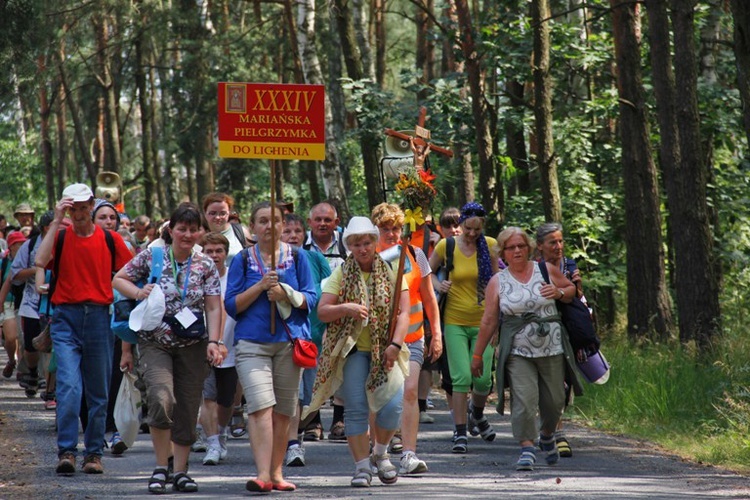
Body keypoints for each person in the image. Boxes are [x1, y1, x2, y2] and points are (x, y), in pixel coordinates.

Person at [113, 202, 224, 493]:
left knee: (188, 407)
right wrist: (139, 292)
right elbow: (119, 279)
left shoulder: (206, 265)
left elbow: (213, 307)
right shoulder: (153, 255)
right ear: (171, 230)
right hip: (155, 342)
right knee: (161, 399)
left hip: (194, 344)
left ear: (201, 232)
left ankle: (181, 471)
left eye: (193, 229)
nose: (187, 234)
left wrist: (215, 341)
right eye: (181, 228)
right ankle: (161, 467)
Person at [34, 183, 132, 476]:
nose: (78, 213)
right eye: (72, 208)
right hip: (66, 318)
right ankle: (66, 451)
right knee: (69, 387)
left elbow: (130, 270)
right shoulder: (61, 237)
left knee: (98, 390)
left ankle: (93, 453)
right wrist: (56, 219)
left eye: (83, 207)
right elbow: (40, 260)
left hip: (100, 317)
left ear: (92, 205)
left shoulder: (109, 238)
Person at [305, 216, 410, 488]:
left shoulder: (391, 270)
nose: (362, 248)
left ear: (374, 243)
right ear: (349, 246)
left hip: (386, 350)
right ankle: (362, 467)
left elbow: (403, 314)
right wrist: (347, 308)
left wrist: (394, 345)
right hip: (353, 351)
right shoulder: (341, 273)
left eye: (366, 243)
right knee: (356, 410)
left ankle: (381, 453)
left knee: (392, 408)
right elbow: (323, 311)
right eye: (356, 244)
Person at [470, 226, 582, 471]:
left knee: (554, 401)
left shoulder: (545, 269)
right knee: (524, 399)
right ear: (503, 253)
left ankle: (548, 434)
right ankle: (527, 448)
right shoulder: (497, 281)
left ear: (529, 248)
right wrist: (477, 355)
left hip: (551, 347)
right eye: (511, 247)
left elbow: (571, 291)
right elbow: (489, 320)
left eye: (521, 246)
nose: (517, 250)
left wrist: (559, 291)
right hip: (517, 351)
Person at [224, 202, 317, 493]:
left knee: (284, 411)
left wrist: (286, 293)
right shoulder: (242, 259)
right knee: (260, 406)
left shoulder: (298, 257)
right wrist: (261, 287)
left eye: (274, 220)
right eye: (262, 221)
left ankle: (277, 473)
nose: (269, 226)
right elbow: (231, 305)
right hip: (252, 344)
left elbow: (312, 299)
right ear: (253, 227)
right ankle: (262, 473)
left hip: (289, 344)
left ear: (282, 224)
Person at [372, 203, 442, 475]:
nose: (391, 234)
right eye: (385, 229)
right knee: (378, 397)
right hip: (379, 340)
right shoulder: (370, 256)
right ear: (376, 229)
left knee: (409, 392)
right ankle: (378, 449)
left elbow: (428, 298)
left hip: (413, 336)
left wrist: (436, 334)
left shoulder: (415, 254)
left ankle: (409, 454)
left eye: (396, 228)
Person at [428, 202, 498, 454]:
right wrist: (438, 285)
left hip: (485, 323)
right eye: (468, 228)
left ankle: (476, 415)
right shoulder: (446, 246)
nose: (471, 234)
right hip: (455, 321)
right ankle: (459, 431)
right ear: (461, 224)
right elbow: (426, 272)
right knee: (461, 378)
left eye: (477, 230)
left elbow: (500, 279)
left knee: (482, 381)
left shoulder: (490, 245)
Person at [280, 213, 331, 468]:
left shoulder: (314, 257)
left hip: (312, 335)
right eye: (287, 232)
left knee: (306, 396)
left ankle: (294, 436)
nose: (293, 236)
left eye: (297, 232)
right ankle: (291, 443)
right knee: (292, 393)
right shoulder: (271, 260)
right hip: (282, 336)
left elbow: (330, 287)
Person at [535, 222, 587, 457]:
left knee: (565, 380)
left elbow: (577, 297)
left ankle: (553, 427)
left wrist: (576, 285)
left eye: (560, 241)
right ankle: (557, 432)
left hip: (569, 329)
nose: (558, 246)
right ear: (540, 246)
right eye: (552, 242)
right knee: (549, 381)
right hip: (542, 330)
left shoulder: (570, 264)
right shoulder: (534, 268)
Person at [303, 201, 349, 441]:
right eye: (318, 219)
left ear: (336, 223)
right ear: (309, 222)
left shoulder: (345, 246)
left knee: (340, 365)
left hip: (340, 316)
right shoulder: (302, 246)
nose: (322, 224)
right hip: (310, 318)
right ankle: (313, 421)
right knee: (312, 366)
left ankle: (339, 419)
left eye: (327, 220)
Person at [195, 232, 238, 466]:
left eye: (218, 251)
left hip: (232, 346)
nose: (214, 256)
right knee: (208, 396)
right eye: (209, 251)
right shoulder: (196, 277)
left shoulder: (235, 278)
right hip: (204, 346)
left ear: (225, 253)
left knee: (227, 400)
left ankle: (221, 433)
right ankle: (212, 442)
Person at [9, 211, 55, 399]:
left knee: (53, 348)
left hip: (57, 305)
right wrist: (36, 270)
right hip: (31, 305)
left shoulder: (68, 243)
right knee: (30, 346)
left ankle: (51, 392)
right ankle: (33, 371)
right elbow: (15, 274)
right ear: (46, 227)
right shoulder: (29, 246)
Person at [0, 231, 28, 381]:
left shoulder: (28, 260)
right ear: (11, 246)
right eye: (18, 244)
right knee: (11, 338)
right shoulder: (4, 263)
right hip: (6, 303)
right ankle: (12, 360)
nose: (22, 246)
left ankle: (24, 371)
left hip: (23, 302)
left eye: (23, 243)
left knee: (24, 338)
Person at [202, 192, 248, 264]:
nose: (217, 217)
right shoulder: (199, 235)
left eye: (222, 213)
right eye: (213, 213)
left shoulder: (241, 232)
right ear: (205, 213)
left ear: (229, 213)